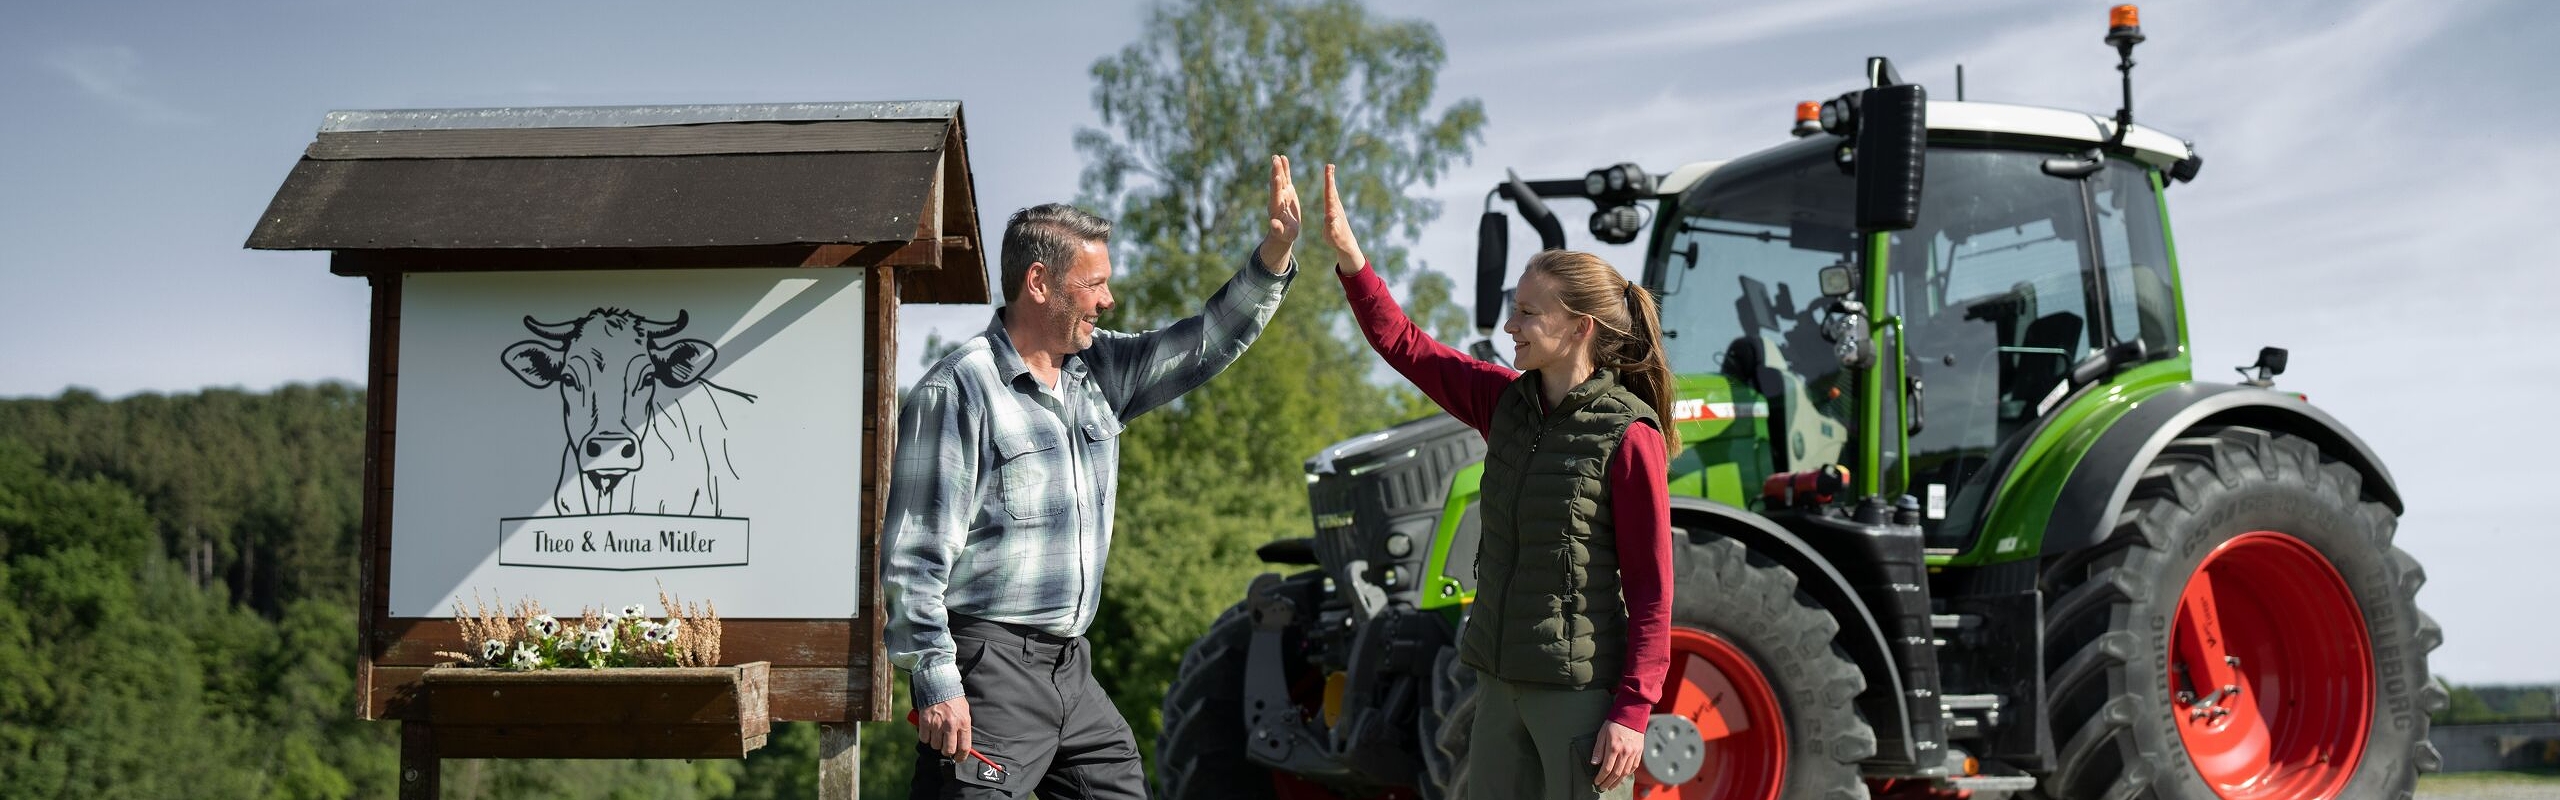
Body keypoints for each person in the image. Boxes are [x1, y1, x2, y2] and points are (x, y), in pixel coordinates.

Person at [882, 156, 1304, 799]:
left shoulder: (1099, 371)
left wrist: (1273, 254)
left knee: (1116, 784)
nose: (1109, 299)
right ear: (1040, 283)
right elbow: (913, 560)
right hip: (989, 667)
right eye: (1094, 283)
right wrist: (937, 683)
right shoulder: (959, 390)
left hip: (1070, 668)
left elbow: (1206, 341)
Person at [1313, 165, 1674, 799]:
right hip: (1497, 683)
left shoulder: (1629, 436)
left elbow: (1652, 591)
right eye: (1514, 310)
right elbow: (1404, 344)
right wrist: (1350, 257)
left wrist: (1633, 712)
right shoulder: (1502, 401)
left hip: (1577, 696)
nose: (1511, 327)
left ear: (1580, 328)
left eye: (1529, 314)